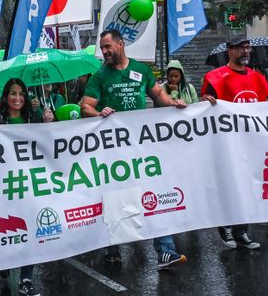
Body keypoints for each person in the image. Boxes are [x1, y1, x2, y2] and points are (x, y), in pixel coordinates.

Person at [80, 29, 188, 269]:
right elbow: (85, 106)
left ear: (121, 44)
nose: (105, 52)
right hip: (112, 151)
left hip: (141, 147)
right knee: (113, 196)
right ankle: (112, 247)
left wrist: (176, 105)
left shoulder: (141, 70)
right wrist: (99, 113)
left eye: (108, 46)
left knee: (154, 191)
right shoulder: (100, 77)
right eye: (103, 48)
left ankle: (165, 250)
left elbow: (159, 95)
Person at [0, 78, 49, 296]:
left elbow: (49, 142)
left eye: (21, 93)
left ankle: (26, 280)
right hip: (4, 185)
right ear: (6, 96)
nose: (17, 98)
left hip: (29, 183)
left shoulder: (34, 117)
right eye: (12, 93)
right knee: (9, 227)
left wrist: (51, 122)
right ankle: (5, 260)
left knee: (30, 228)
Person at [200, 34, 268, 251]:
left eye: (248, 48)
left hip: (250, 142)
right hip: (226, 143)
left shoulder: (257, 78)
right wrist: (205, 101)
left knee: (247, 187)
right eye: (240, 48)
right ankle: (225, 225)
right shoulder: (215, 77)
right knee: (229, 186)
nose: (246, 52)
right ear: (229, 50)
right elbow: (204, 107)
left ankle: (241, 231)